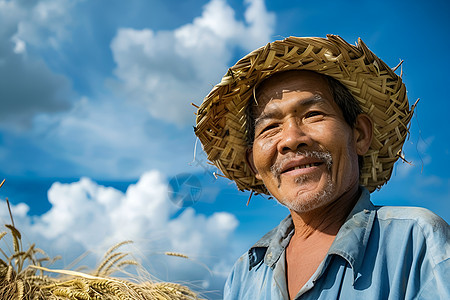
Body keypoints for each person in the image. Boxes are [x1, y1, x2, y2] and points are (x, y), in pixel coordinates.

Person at [194, 35, 449, 299]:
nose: (291, 140)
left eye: (313, 114)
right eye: (270, 127)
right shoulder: (245, 275)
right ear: (253, 164)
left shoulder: (416, 240)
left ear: (359, 134)